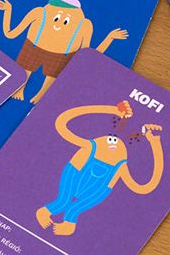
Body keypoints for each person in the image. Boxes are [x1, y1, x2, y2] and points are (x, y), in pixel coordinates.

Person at [35, 100, 163, 236]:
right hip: (76, 173)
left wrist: (155, 143)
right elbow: (62, 123)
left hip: (98, 189)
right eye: (112, 139)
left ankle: (69, 222)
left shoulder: (120, 164)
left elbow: (144, 187)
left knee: (74, 209)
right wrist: (112, 110)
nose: (115, 143)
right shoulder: (92, 147)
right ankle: (47, 211)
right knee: (63, 200)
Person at [0, 0, 128, 103]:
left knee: (50, 79)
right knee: (25, 71)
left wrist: (109, 38)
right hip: (33, 47)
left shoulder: (84, 25)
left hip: (60, 56)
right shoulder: (39, 12)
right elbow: (10, 34)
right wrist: (8, 11)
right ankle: (20, 90)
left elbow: (88, 56)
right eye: (57, 18)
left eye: (65, 21)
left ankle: (41, 95)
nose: (58, 25)